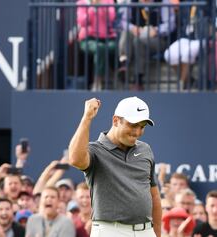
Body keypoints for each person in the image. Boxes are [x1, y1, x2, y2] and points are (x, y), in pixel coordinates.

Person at [68, 96, 161, 237]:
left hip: (146, 231)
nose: (137, 132)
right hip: (109, 231)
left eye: (142, 127)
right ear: (116, 120)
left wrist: (157, 233)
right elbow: (75, 159)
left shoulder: (145, 149)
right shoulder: (95, 150)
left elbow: (154, 196)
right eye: (133, 125)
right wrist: (87, 118)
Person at [118, 0, 176, 90]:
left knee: (138, 42)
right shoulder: (131, 2)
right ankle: (124, 64)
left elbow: (170, 25)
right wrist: (132, 28)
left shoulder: (164, 3)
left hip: (158, 39)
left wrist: (157, 30)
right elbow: (123, 22)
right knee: (126, 33)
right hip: (137, 34)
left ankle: (138, 80)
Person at [77, 0, 117, 90]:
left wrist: (101, 6)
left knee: (114, 47)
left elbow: (111, 17)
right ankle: (97, 82)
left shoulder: (108, 1)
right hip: (87, 39)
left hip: (106, 38)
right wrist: (92, 8)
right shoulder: (82, 2)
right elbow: (82, 22)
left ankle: (118, 79)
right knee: (100, 48)